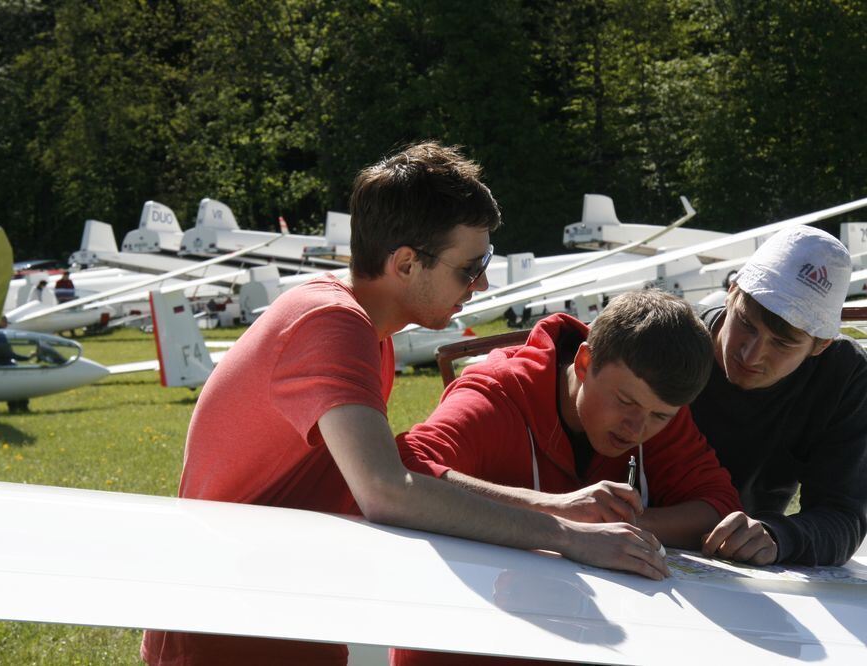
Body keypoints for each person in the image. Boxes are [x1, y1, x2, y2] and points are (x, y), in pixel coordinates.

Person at [140, 143, 668, 666]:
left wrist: (553, 505)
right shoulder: (332, 323)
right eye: (469, 267)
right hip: (221, 635)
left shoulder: (369, 331)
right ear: (407, 263)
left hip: (278, 617)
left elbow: (393, 474)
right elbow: (387, 492)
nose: (480, 283)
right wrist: (566, 537)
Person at [390, 290, 743, 666]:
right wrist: (558, 512)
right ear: (585, 360)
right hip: (464, 647)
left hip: (592, 646)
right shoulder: (496, 393)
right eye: (625, 402)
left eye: (661, 417)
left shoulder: (652, 406)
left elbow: (718, 505)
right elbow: (402, 473)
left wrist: (619, 525)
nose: (637, 428)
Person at [694, 226, 867, 566]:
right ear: (731, 292)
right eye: (745, 323)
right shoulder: (672, 341)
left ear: (821, 345)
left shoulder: (844, 378)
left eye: (782, 343)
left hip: (735, 575)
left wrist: (777, 536)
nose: (751, 354)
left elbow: (844, 516)